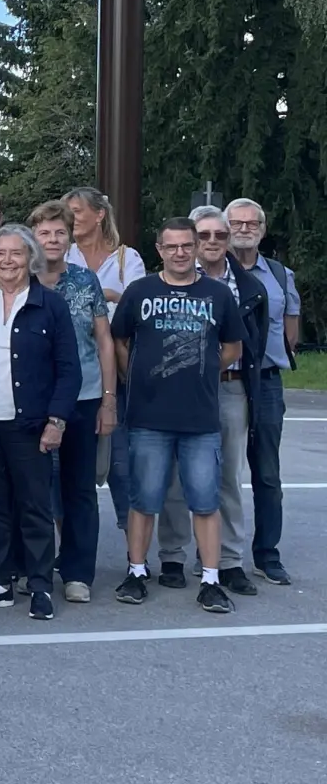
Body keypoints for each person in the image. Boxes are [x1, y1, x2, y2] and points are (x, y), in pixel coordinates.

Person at [111, 217, 244, 614]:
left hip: (200, 418)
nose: (180, 253)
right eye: (172, 247)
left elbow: (233, 347)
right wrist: (130, 373)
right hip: (148, 415)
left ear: (196, 248)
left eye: (187, 245)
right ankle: (136, 571)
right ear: (160, 250)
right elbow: (120, 338)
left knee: (204, 500)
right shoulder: (140, 291)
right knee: (144, 498)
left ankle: (210, 579)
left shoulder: (217, 295)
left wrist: (203, 368)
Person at [0, 225, 79, 621]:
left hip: (30, 423)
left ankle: (40, 585)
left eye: (17, 253)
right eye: (0, 253)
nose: (8, 260)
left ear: (31, 259)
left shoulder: (51, 305)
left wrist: (56, 420)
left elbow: (69, 369)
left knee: (34, 505)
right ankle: (0, 582)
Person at [154, 207, 268, 595]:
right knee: (175, 476)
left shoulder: (248, 284)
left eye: (221, 235)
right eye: (205, 236)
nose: (214, 242)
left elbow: (249, 343)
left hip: (231, 387)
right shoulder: (174, 281)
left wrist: (209, 368)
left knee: (227, 477)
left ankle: (229, 560)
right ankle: (172, 555)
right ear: (193, 240)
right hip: (179, 389)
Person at [31, 201, 115, 604]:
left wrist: (109, 401)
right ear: (33, 237)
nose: (52, 239)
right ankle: (35, 566)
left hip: (83, 398)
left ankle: (78, 571)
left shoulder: (85, 281)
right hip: (31, 400)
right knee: (32, 488)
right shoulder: (18, 279)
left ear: (70, 238)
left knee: (79, 488)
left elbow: (103, 341)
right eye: (44, 233)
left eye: (59, 232)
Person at [224, 197, 298, 584]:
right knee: (223, 474)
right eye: (236, 223)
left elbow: (291, 325)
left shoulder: (281, 274)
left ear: (263, 230)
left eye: (252, 224)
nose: (244, 229)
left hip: (267, 381)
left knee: (267, 472)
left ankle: (267, 554)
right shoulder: (213, 272)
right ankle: (220, 557)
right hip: (228, 381)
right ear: (225, 228)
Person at [65, 186, 145, 538]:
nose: (70, 219)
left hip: (120, 373)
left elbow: (140, 308)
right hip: (74, 371)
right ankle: (67, 547)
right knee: (62, 469)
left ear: (99, 215)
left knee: (121, 466)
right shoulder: (60, 254)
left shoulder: (128, 259)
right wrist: (111, 295)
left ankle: (135, 555)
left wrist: (103, 293)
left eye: (77, 211)